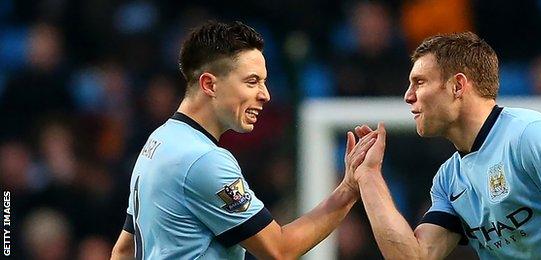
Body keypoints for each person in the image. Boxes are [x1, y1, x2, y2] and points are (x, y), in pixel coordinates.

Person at [110, 20, 376, 259]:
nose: (265, 95)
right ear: (210, 85)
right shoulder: (204, 160)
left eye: (264, 82)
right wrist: (349, 190)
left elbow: (123, 250)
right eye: (252, 81)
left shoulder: (159, 141)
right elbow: (279, 249)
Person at [349, 32, 541, 259]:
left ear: (457, 86)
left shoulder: (533, 136)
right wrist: (370, 178)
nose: (408, 96)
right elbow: (415, 257)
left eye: (419, 82)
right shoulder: (449, 179)